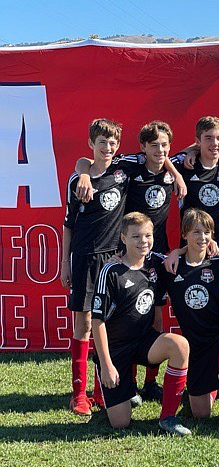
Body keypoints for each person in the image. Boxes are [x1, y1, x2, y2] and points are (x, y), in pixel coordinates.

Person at [74, 121, 187, 403]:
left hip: (157, 253)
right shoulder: (130, 166)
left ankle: (151, 382)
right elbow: (87, 160)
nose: (160, 150)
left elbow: (196, 148)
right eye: (154, 146)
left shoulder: (175, 167)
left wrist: (176, 173)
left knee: (155, 313)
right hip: (128, 252)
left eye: (164, 145)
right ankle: (119, 383)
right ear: (142, 148)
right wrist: (85, 176)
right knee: (120, 317)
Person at [157, 209, 219, 432]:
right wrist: (177, 251)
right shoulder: (170, 266)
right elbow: (142, 258)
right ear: (185, 234)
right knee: (201, 414)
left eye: (207, 232)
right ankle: (208, 386)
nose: (202, 238)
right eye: (196, 232)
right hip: (197, 343)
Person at [92, 212, 191, 435]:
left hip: (144, 342)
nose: (143, 241)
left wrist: (179, 250)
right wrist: (107, 365)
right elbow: (96, 321)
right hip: (116, 350)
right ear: (123, 238)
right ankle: (123, 391)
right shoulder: (111, 270)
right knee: (121, 423)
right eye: (136, 236)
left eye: (147, 235)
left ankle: (168, 418)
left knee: (179, 345)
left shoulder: (155, 261)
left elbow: (188, 252)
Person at [61, 119, 130, 416]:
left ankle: (103, 390)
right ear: (91, 144)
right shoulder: (77, 181)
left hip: (114, 258)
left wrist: (177, 175)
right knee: (84, 323)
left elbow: (161, 155)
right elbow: (68, 226)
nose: (108, 147)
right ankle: (79, 393)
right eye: (102, 142)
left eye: (113, 142)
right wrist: (65, 262)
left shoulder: (124, 172)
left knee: (110, 324)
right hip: (85, 257)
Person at [172, 116, 219, 248]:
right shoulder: (185, 166)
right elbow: (161, 159)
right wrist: (190, 152)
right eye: (208, 138)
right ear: (198, 141)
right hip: (192, 247)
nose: (215, 143)